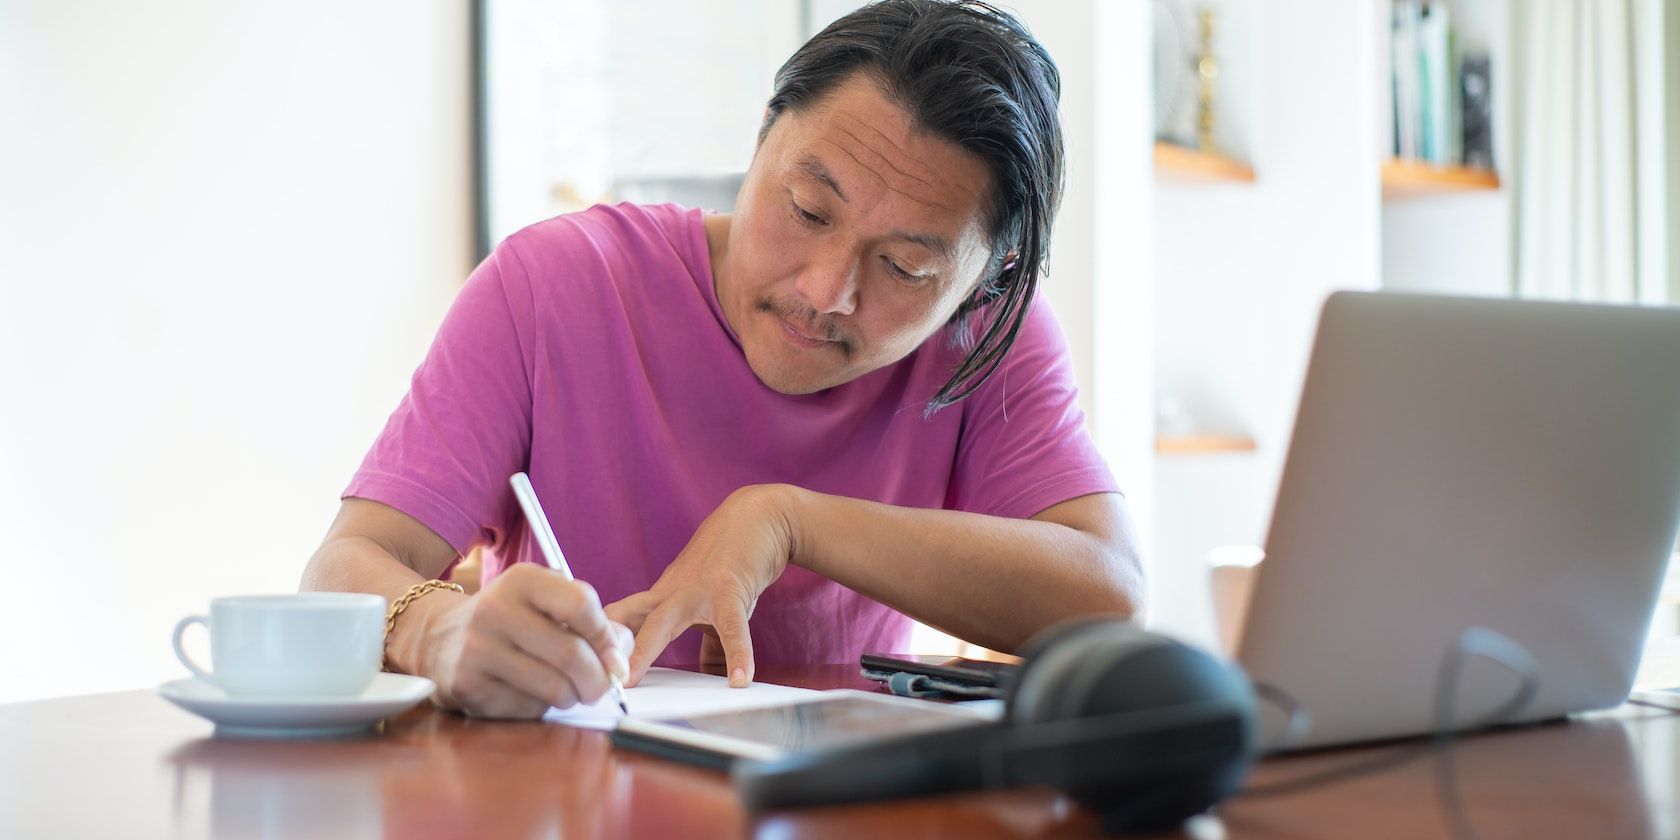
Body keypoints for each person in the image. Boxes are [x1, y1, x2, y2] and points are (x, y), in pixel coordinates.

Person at [300, 0, 1143, 720]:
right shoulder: (554, 283)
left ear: (981, 281)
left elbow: (1107, 596)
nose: (824, 292)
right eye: (809, 210)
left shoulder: (988, 338)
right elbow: (343, 567)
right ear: (762, 140)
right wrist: (438, 629)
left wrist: (787, 521)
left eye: (905, 268)